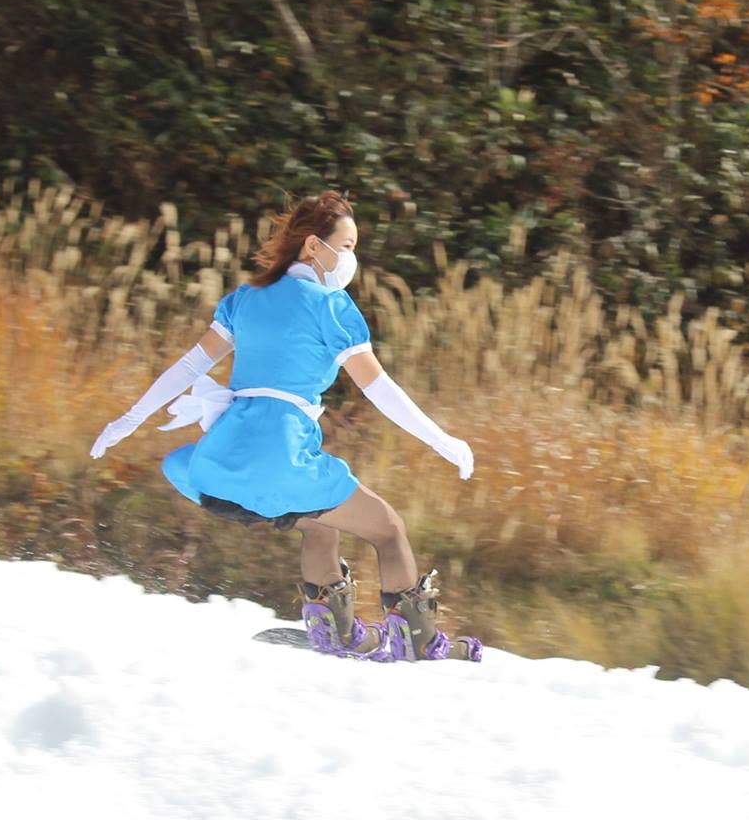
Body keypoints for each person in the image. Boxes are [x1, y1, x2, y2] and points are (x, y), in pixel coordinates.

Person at [89, 191, 480, 661]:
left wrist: (129, 420)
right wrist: (441, 440)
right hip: (282, 456)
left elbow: (187, 367)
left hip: (221, 467)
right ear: (314, 246)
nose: (352, 260)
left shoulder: (244, 299)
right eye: (349, 247)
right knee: (388, 529)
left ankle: (336, 632)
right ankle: (417, 643)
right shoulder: (331, 307)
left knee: (318, 523)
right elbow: (380, 390)